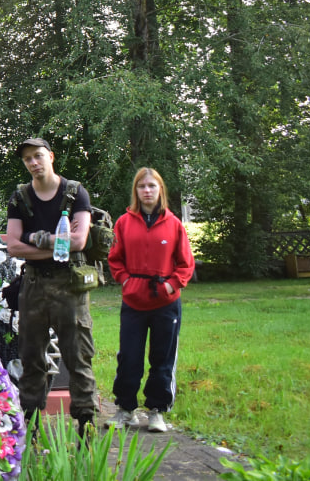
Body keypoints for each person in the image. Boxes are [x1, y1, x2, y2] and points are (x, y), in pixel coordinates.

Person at [4, 137, 98, 434]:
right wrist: (58, 245)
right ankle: (29, 426)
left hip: (69, 286)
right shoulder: (20, 197)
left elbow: (80, 241)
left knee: (77, 355)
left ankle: (86, 424)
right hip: (33, 286)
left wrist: (35, 238)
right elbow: (13, 247)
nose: (33, 163)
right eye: (28, 159)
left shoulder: (74, 193)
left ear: (51, 157)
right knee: (31, 357)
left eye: (38, 156)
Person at [106, 168, 194, 434]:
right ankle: (125, 409)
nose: (147, 191)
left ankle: (157, 411)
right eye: (141, 186)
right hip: (133, 301)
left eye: (152, 186)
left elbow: (185, 262)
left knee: (162, 356)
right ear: (136, 191)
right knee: (129, 357)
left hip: (165, 303)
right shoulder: (123, 222)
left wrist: (171, 284)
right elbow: (115, 258)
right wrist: (125, 281)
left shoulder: (173, 223)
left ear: (160, 190)